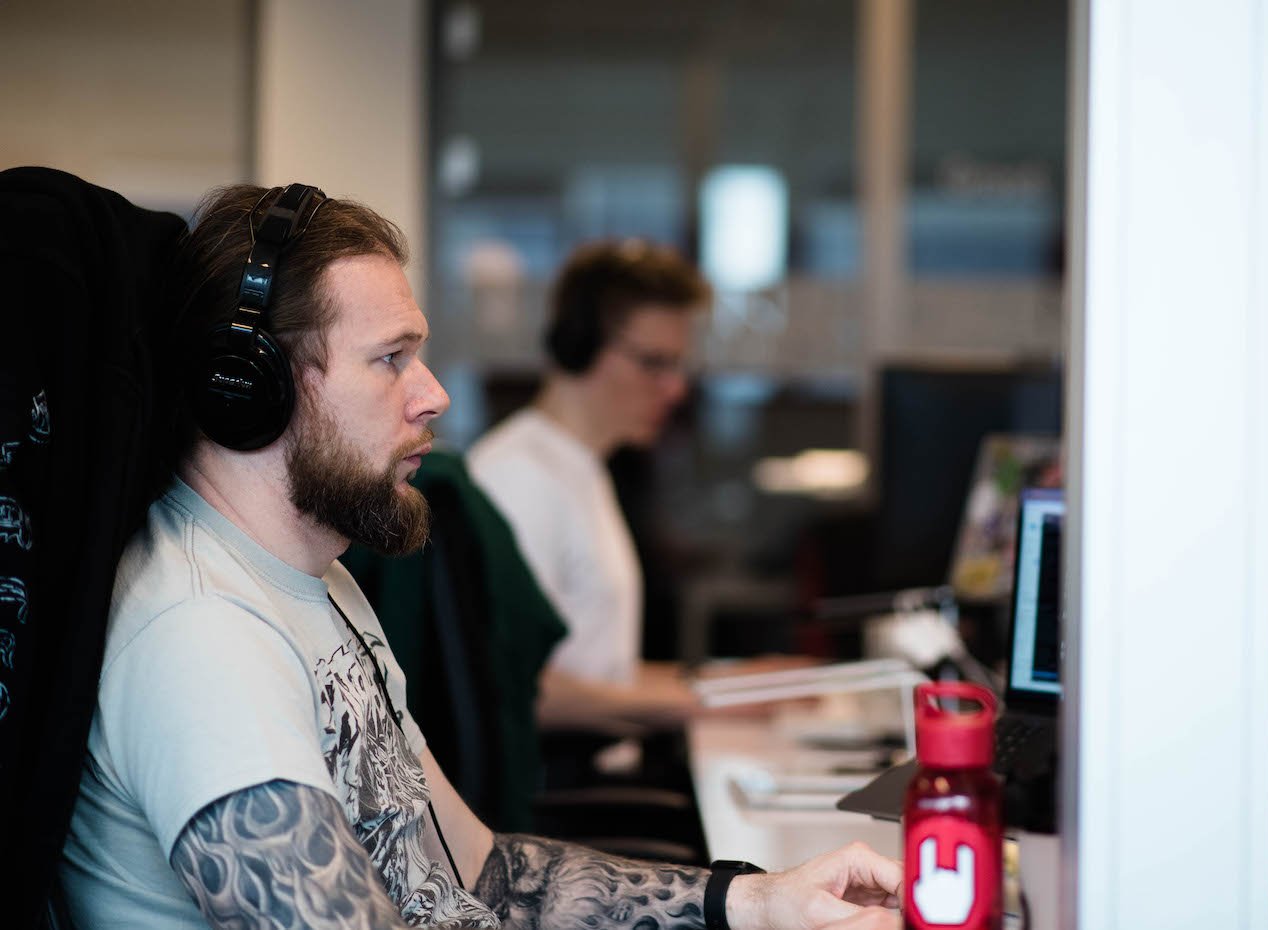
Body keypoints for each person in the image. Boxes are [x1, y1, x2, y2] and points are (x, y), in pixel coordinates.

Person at [57, 184, 902, 930]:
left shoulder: (320, 584)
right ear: (251, 386)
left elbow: (483, 874)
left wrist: (760, 902)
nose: (434, 395)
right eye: (390, 360)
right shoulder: (202, 639)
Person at [465, 241, 708, 733]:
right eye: (654, 363)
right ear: (578, 347)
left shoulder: (582, 467)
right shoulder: (518, 478)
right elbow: (520, 685)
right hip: (567, 773)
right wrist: (700, 701)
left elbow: (601, 673)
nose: (676, 388)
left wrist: (740, 683)